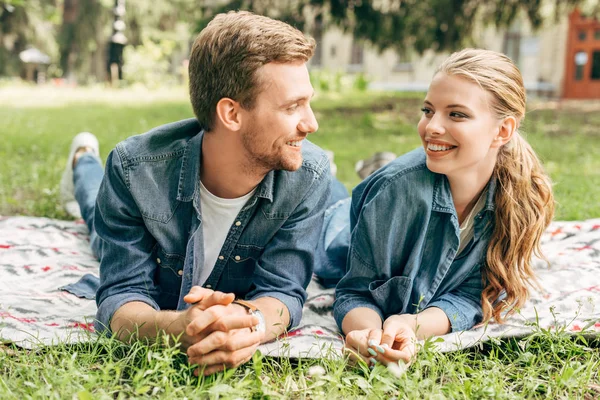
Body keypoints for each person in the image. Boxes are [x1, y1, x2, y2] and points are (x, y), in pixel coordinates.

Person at [59, 11, 332, 376]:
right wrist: (177, 328)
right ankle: (83, 159)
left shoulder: (308, 177)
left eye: (308, 102)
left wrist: (246, 323)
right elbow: (120, 298)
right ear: (231, 114)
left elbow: (284, 291)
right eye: (292, 106)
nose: (311, 123)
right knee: (95, 214)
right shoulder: (136, 171)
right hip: (147, 190)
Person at [320, 48, 555, 368]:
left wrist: (409, 327)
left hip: (397, 192)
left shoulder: (519, 198)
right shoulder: (393, 192)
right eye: (428, 110)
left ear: (503, 131)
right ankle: (328, 173)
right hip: (337, 234)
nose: (431, 127)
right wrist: (373, 336)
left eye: (456, 114)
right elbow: (355, 293)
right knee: (329, 205)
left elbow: (474, 294)